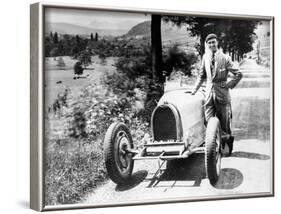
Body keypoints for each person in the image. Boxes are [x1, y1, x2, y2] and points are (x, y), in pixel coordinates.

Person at [191, 33, 243, 156]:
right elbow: (201, 76)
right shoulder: (205, 57)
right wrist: (194, 90)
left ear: (217, 43)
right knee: (208, 122)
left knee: (224, 123)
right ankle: (213, 146)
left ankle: (227, 146)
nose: (212, 44)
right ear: (207, 44)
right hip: (208, 94)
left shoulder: (225, 58)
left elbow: (238, 74)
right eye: (209, 43)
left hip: (222, 94)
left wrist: (229, 85)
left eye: (213, 42)